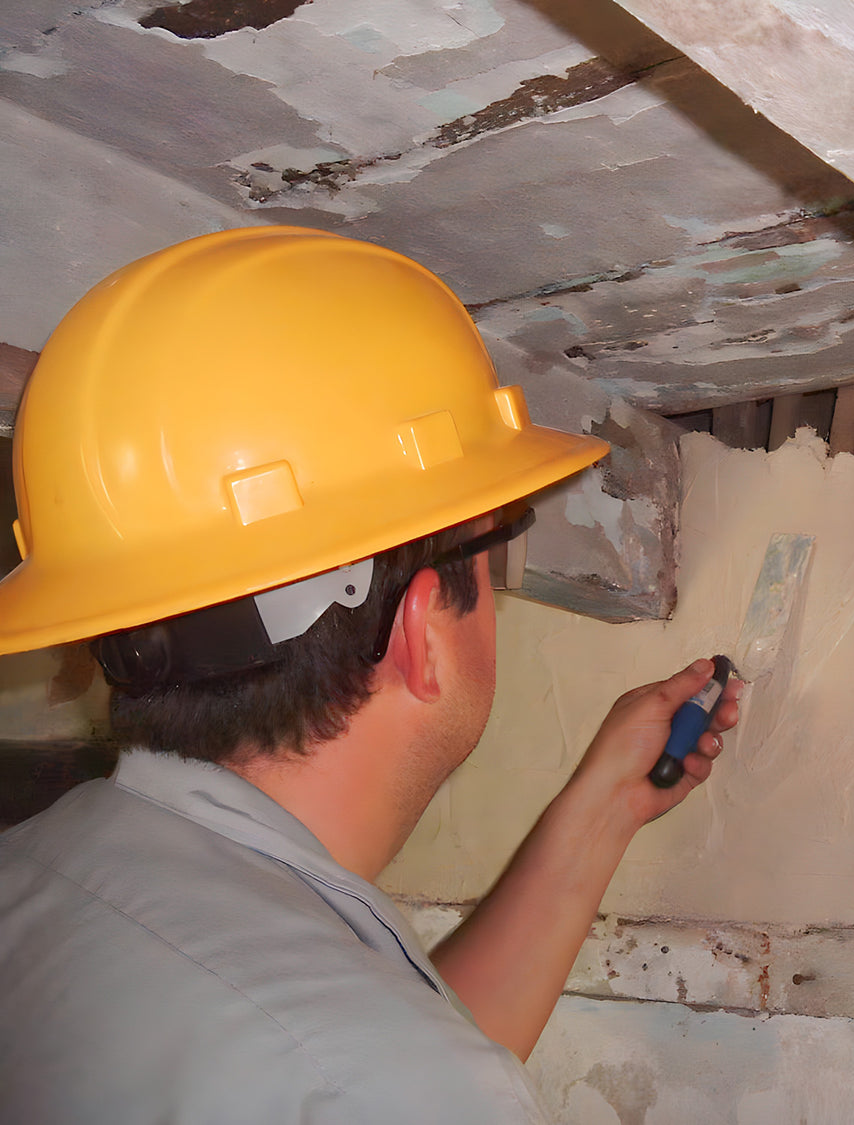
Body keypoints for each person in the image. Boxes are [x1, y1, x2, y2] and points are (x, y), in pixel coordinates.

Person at [0, 226, 740, 1123]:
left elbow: (370, 1047)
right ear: (422, 629)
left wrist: (602, 810)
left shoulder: (40, 871)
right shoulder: (383, 1080)